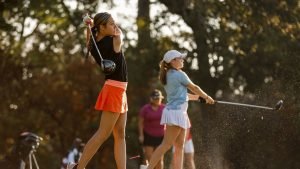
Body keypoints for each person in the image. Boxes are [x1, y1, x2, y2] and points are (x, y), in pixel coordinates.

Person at [67, 12, 128, 169]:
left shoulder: (95, 44)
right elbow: (120, 34)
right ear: (101, 27)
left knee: (120, 134)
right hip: (115, 89)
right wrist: (91, 24)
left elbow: (90, 39)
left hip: (119, 90)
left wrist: (90, 25)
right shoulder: (114, 39)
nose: (115, 26)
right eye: (111, 24)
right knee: (102, 134)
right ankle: (78, 167)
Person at [146, 50, 214, 169]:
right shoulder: (179, 74)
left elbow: (183, 95)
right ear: (173, 61)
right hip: (176, 113)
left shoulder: (169, 74)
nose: (183, 60)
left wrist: (199, 98)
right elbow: (195, 87)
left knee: (179, 146)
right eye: (180, 58)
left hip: (178, 112)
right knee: (166, 145)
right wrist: (206, 97)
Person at [138, 89, 165, 169]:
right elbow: (140, 123)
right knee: (149, 157)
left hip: (161, 136)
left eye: (159, 98)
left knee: (159, 159)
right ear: (152, 99)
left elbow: (168, 122)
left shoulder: (164, 108)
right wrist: (141, 135)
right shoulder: (145, 109)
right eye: (156, 98)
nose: (158, 100)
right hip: (148, 135)